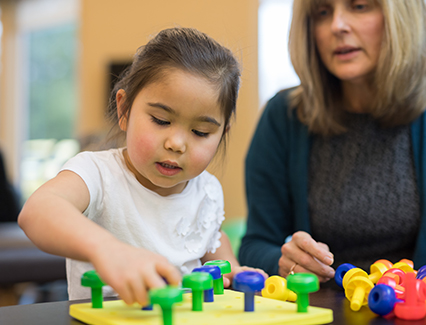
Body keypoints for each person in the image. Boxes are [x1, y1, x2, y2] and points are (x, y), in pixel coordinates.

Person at [239, 0, 426, 305]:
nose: (337, 25)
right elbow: (257, 243)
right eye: (322, 12)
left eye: (359, 5)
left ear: (402, 16)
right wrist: (283, 263)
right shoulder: (282, 116)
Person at [18, 27, 266, 306]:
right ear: (124, 111)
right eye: (161, 120)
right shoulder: (97, 173)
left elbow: (210, 239)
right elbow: (38, 210)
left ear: (222, 133)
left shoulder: (206, 189)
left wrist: (231, 268)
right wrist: (107, 249)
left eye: (200, 132)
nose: (177, 143)